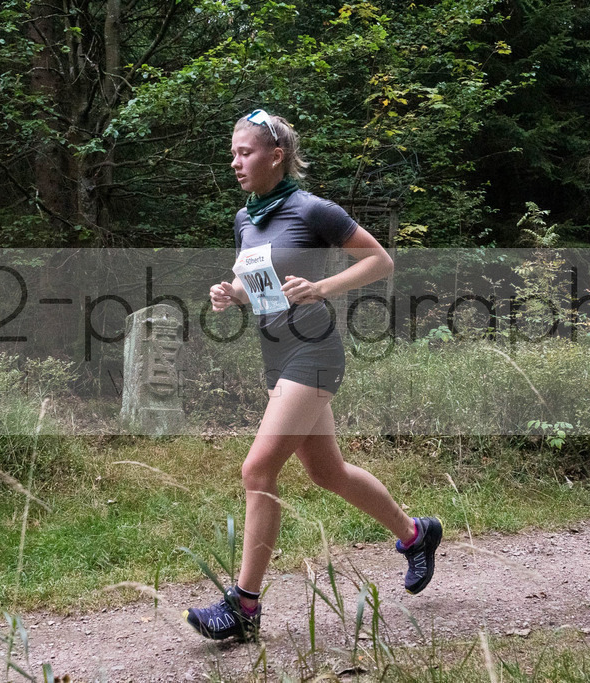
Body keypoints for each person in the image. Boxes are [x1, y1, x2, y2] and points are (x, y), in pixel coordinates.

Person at [184, 109, 441, 641]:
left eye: (245, 152)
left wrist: (323, 288)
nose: (235, 162)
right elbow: (249, 278)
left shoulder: (313, 210)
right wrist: (226, 293)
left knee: (257, 471)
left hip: (315, 350)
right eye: (233, 153)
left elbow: (380, 261)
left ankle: (244, 607)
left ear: (275, 156)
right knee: (328, 472)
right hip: (276, 353)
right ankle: (416, 535)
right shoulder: (246, 217)